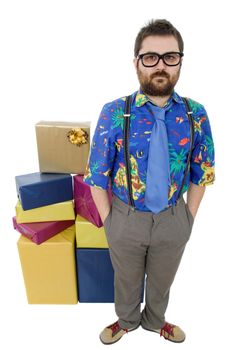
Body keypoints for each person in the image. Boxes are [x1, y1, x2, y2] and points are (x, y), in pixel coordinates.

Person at [83, 19, 215, 345]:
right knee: (126, 278)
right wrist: (110, 221)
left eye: (170, 56)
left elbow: (203, 170)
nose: (160, 65)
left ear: (180, 62)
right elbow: (97, 174)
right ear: (136, 62)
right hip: (125, 217)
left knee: (162, 278)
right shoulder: (115, 112)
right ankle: (126, 320)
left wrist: (187, 217)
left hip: (173, 217)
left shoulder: (195, 113)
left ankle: (155, 321)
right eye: (150, 57)